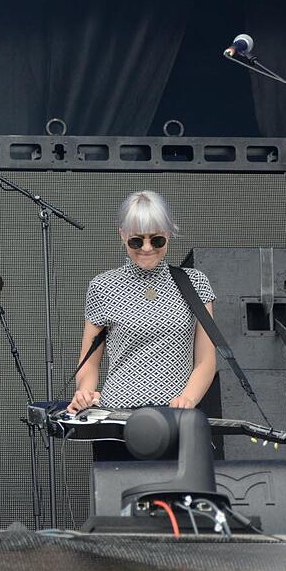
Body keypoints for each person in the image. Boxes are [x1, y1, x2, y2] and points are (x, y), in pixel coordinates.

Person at [68, 191, 217, 460]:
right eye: (137, 241)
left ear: (169, 234)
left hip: (175, 420)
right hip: (117, 421)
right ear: (122, 235)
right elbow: (88, 363)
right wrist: (85, 392)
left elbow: (206, 361)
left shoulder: (195, 283)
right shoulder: (102, 287)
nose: (147, 248)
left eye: (156, 239)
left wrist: (188, 400)